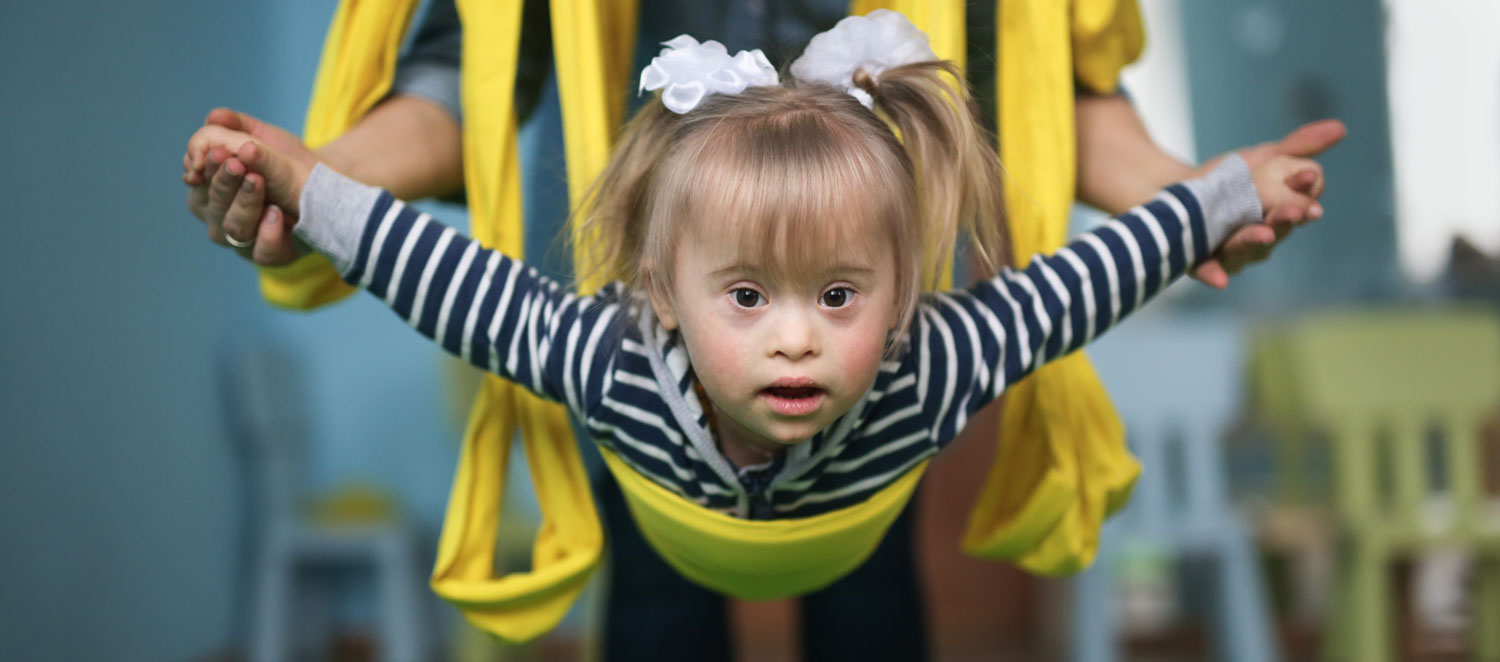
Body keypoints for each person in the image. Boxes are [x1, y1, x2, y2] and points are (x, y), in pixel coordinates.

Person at [183, 9, 1329, 653]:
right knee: (654, 622)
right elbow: (433, 266)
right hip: (659, 501)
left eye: (839, 297)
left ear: (904, 290)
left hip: (861, 517)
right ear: (659, 292)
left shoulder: (927, 359)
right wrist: (308, 184)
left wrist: (1225, 193)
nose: (796, 342)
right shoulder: (608, 352)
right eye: (747, 300)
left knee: (874, 622)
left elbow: (1094, 273)